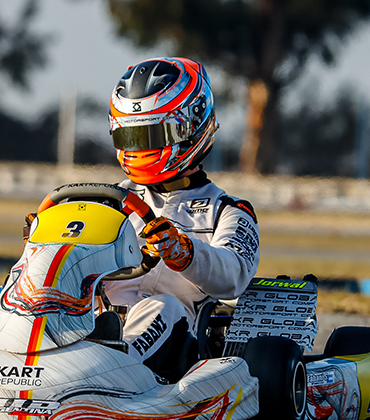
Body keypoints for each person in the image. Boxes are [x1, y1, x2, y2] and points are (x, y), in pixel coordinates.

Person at [101, 57, 260, 383]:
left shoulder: (227, 211)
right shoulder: (106, 201)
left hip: (176, 342)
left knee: (161, 307)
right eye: (131, 137)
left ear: (191, 127)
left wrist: (186, 253)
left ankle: (107, 374)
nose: (140, 147)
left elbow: (233, 277)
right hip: (96, 326)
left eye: (151, 135)